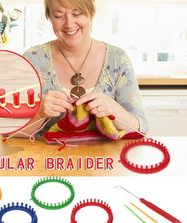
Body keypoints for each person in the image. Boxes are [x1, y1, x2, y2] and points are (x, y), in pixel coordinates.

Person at [23, 0, 148, 136]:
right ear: (50, 18)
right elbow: (7, 133)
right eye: (59, 16)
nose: (69, 24)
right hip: (46, 157)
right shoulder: (32, 60)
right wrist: (39, 113)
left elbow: (141, 129)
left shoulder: (118, 60)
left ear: (91, 14)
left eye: (77, 14)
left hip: (104, 157)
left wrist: (114, 110)